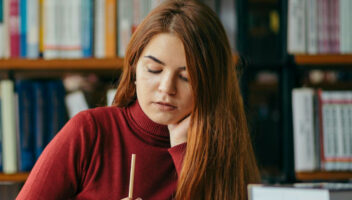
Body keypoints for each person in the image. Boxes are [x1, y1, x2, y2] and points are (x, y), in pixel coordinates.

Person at [16, 0, 260, 199]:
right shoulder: (90, 131)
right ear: (133, 68)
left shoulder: (225, 147)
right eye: (154, 70)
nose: (166, 88)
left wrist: (185, 152)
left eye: (187, 77)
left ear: (211, 84)